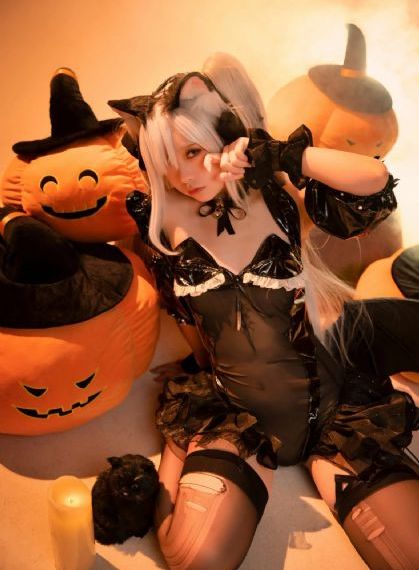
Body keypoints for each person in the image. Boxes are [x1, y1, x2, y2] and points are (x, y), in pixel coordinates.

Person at [110, 53, 419, 570]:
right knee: (195, 560)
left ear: (227, 138)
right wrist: (189, 392)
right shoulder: (160, 218)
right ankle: (169, 470)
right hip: (240, 419)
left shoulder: (277, 194)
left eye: (194, 150)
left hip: (335, 410)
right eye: (167, 158)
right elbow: (183, 313)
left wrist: (278, 154)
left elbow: (373, 178)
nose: (183, 174)